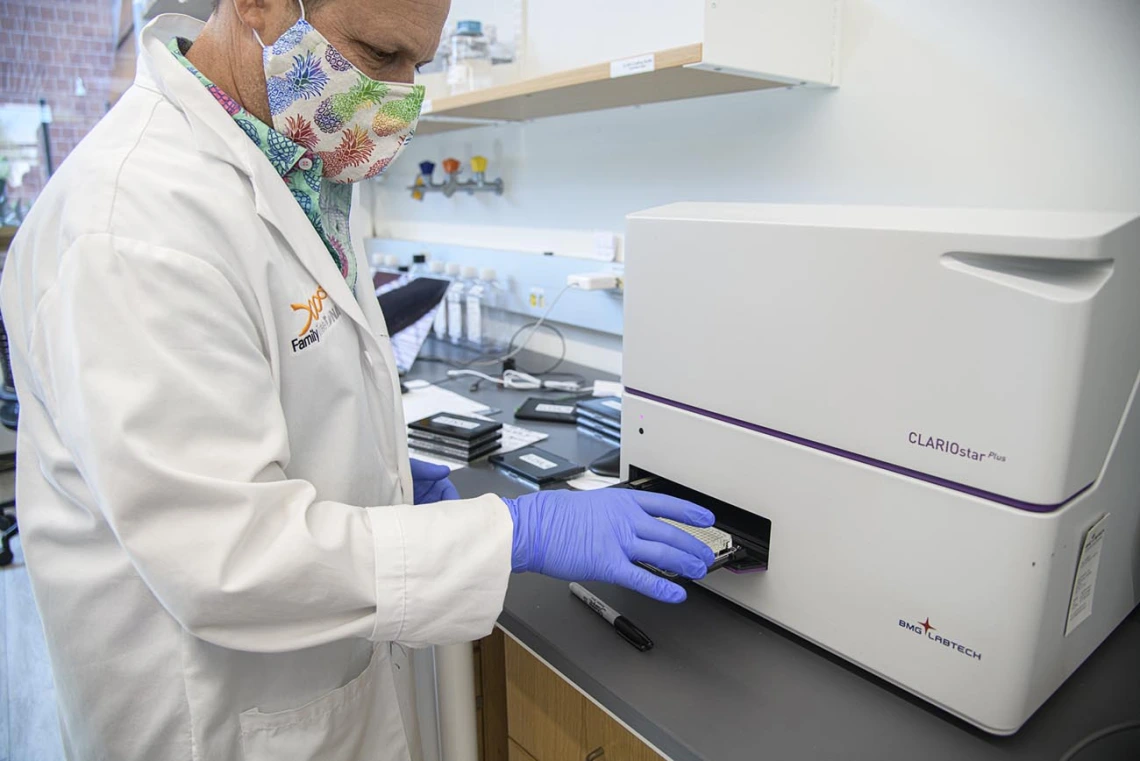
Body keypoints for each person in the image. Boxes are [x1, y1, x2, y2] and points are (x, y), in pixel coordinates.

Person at [0, 1, 717, 759]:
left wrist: (372, 477)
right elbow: (226, 560)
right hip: (216, 720)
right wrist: (513, 532)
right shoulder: (133, 228)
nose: (404, 97)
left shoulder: (288, 155)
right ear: (258, 5)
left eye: (422, 64)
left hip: (324, 687)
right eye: (380, 54)